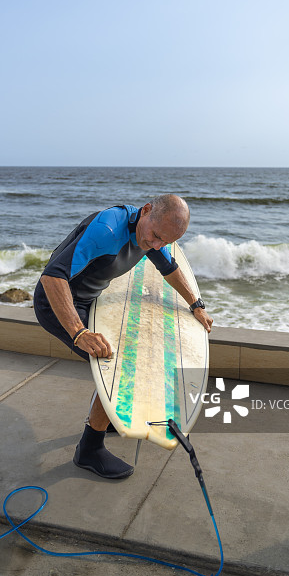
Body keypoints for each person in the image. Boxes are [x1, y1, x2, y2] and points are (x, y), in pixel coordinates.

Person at [34, 194, 212, 480]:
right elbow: (52, 278)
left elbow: (169, 269)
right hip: (58, 304)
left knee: (124, 359)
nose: (157, 246)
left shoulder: (149, 232)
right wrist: (79, 333)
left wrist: (196, 305)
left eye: (165, 242)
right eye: (155, 237)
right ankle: (89, 450)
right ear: (146, 211)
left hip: (90, 301)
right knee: (118, 367)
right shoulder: (107, 230)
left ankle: (108, 418)